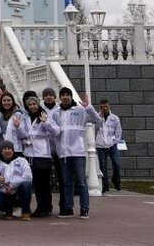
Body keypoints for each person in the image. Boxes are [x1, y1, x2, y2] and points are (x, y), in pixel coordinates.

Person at [54, 87, 102, 218]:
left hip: (78, 151)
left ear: (71, 97)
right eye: (62, 95)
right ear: (60, 97)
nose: (65, 97)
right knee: (67, 182)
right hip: (64, 153)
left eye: (67, 95)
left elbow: (98, 121)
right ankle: (68, 208)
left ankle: (84, 208)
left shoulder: (80, 110)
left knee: (81, 181)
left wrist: (89, 108)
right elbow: (53, 130)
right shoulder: (56, 113)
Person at [22, 92, 60, 216]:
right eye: (30, 104)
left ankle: (45, 207)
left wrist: (45, 122)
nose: (32, 106)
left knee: (44, 183)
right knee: (37, 183)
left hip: (42, 155)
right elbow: (24, 134)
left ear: (38, 105)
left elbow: (56, 131)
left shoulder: (44, 116)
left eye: (34, 104)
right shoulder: (26, 118)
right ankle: (42, 206)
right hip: (30, 154)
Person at [0, 140, 33, 219]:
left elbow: (28, 177)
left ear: (13, 151)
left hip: (18, 191)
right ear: (1, 151)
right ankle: (8, 209)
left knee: (26, 185)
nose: (7, 151)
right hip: (3, 192)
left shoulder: (22, 161)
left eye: (9, 149)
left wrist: (12, 185)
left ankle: (25, 211)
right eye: (4, 149)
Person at [96, 99, 123, 192]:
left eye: (106, 106)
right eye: (103, 107)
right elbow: (94, 127)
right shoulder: (97, 117)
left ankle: (116, 180)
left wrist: (114, 141)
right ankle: (105, 185)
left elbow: (118, 131)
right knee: (103, 165)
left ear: (109, 106)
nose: (105, 109)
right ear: (100, 107)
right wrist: (99, 118)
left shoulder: (115, 118)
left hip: (112, 144)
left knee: (117, 163)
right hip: (101, 144)